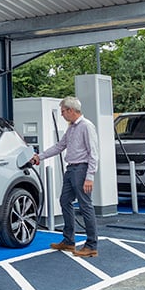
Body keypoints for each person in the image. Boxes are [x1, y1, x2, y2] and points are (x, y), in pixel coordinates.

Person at [31, 96, 99, 257]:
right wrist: (39, 157)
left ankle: (91, 245)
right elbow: (60, 146)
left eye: (63, 112)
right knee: (64, 201)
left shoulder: (86, 126)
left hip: (81, 170)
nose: (61, 115)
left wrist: (90, 176)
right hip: (71, 170)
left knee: (85, 206)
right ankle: (69, 241)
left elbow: (94, 153)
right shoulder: (72, 128)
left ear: (70, 110)